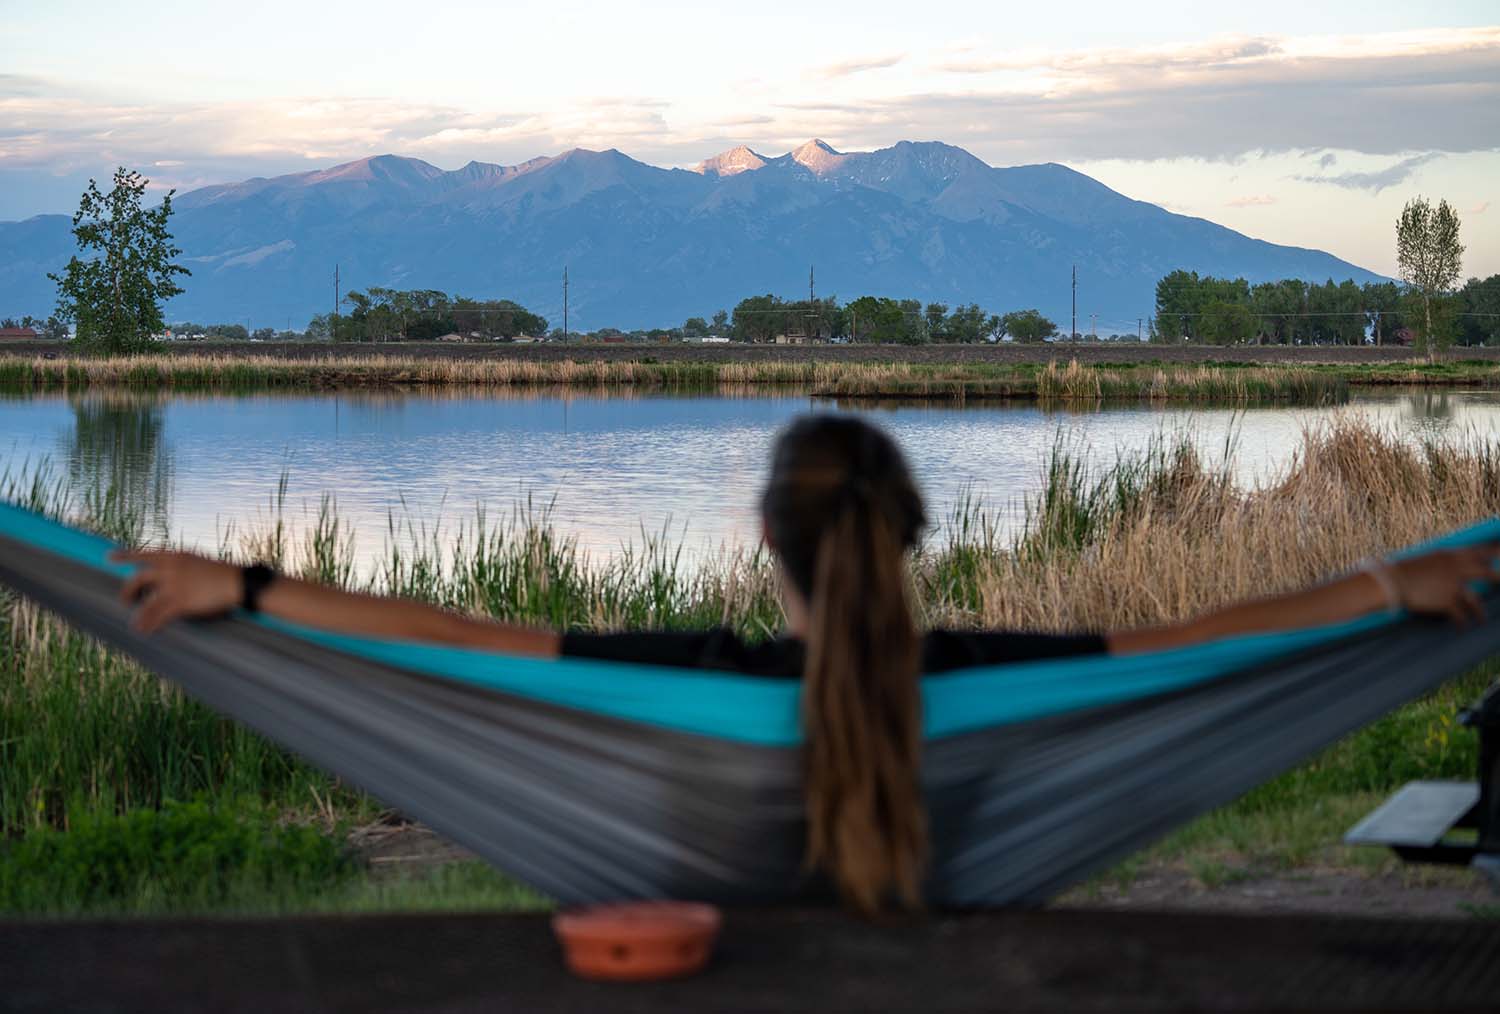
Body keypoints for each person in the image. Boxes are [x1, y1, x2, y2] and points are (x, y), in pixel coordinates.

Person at [115, 414, 1498, 913]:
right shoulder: (974, 676)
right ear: (908, 538)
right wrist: (1391, 582)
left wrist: (243, 585)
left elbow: (461, 634)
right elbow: (1204, 635)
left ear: (763, 541)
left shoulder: (700, 678)